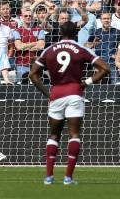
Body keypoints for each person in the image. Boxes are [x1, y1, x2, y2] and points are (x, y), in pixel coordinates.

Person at [29, 21, 110, 185]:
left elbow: (32, 74)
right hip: (74, 93)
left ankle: (49, 177)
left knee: (54, 135)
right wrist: (86, 82)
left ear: (60, 32)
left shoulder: (49, 50)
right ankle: (68, 178)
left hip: (56, 94)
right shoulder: (81, 49)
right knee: (74, 134)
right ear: (76, 33)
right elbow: (105, 68)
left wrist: (47, 93)